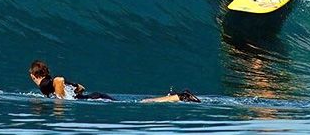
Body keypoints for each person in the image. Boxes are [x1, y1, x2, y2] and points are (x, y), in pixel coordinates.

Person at [28, 60, 199, 102]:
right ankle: (179, 96)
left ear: (34, 75)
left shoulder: (44, 84)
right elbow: (80, 87)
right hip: (93, 96)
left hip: (96, 99)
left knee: (142, 103)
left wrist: (61, 102)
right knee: (141, 102)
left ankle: (180, 97)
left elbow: (60, 80)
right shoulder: (48, 82)